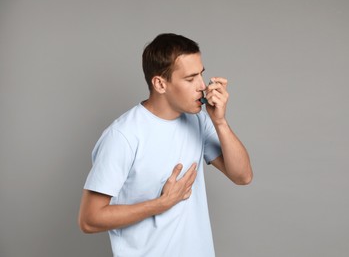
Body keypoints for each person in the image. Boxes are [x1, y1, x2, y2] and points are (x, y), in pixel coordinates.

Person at [78, 33, 253, 257]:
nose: (202, 86)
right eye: (190, 79)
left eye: (202, 74)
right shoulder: (123, 136)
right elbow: (89, 220)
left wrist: (220, 121)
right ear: (160, 83)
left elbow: (243, 176)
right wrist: (162, 203)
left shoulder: (198, 120)